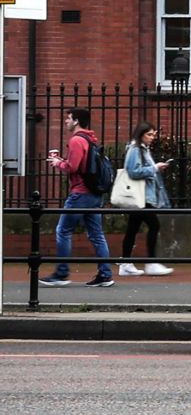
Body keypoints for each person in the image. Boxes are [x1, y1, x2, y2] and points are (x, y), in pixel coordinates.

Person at [43, 107, 114, 288]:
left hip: (80, 193)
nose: (66, 121)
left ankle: (61, 273)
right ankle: (105, 275)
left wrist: (58, 162)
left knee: (63, 230)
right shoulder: (90, 139)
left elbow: (73, 167)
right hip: (94, 193)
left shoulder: (76, 140)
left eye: (68, 118)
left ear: (76, 121)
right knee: (97, 234)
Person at [117, 121, 175, 276]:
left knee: (132, 229)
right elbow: (133, 171)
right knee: (154, 225)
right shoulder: (135, 149)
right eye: (149, 134)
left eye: (153, 134)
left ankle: (125, 263)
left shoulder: (142, 149)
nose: (152, 138)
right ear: (141, 134)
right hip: (140, 197)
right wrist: (155, 168)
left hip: (142, 196)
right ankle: (150, 262)